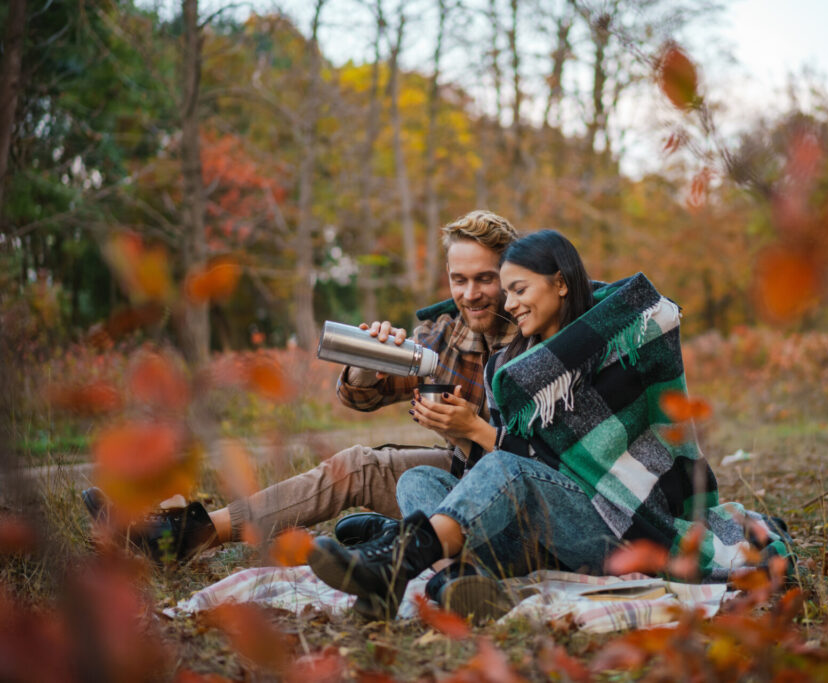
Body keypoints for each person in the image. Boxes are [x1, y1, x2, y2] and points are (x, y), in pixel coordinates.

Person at [307, 230, 791, 621]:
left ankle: (398, 565)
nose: (510, 304)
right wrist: (463, 433)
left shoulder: (616, 347)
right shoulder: (512, 368)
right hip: (542, 535)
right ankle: (451, 580)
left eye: (520, 290)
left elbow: (552, 467)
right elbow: (503, 466)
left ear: (560, 283)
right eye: (509, 292)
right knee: (421, 479)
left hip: (619, 524)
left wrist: (477, 430)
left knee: (509, 472)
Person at [82, 210, 519, 563]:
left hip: (515, 490)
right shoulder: (441, 335)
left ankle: (397, 540)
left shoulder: (534, 339)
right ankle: (188, 535)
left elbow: (549, 458)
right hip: (455, 471)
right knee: (356, 464)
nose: (471, 293)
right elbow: (358, 398)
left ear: (510, 275)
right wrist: (368, 356)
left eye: (485, 278)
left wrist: (471, 425)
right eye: (459, 280)